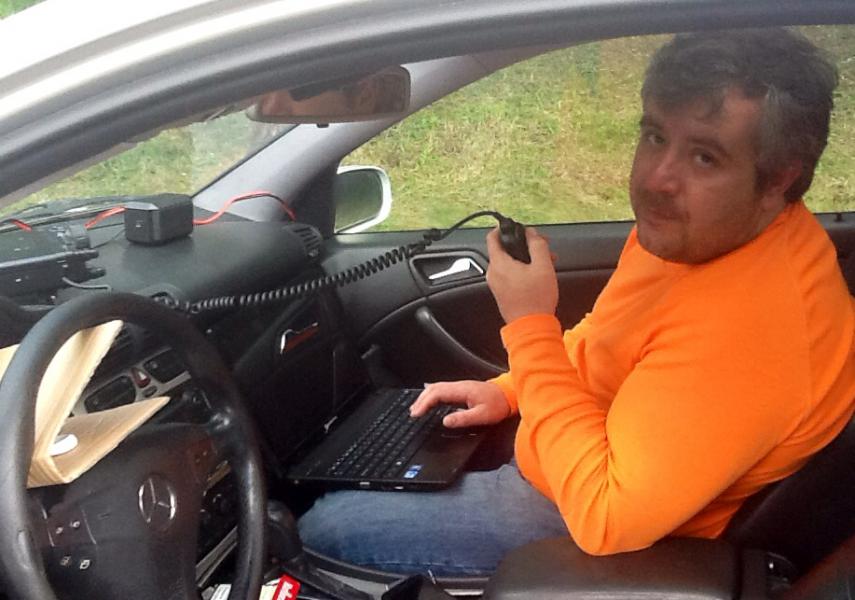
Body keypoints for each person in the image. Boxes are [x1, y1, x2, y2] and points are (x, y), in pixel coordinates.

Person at [298, 28, 855, 576]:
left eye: (705, 158)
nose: (656, 179)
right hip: (573, 453)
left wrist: (529, 323)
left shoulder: (757, 327)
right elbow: (605, 339)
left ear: (778, 180)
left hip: (585, 528)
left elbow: (604, 520)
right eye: (655, 136)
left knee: (323, 526)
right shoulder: (699, 234)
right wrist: (509, 391)